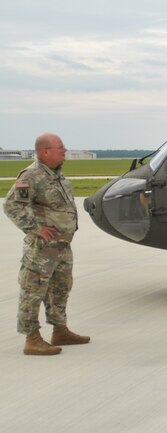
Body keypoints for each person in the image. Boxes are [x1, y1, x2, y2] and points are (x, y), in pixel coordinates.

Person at [3, 133, 90, 356]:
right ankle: (32, 338)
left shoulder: (57, 176)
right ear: (45, 152)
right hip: (42, 249)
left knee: (61, 287)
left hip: (62, 246)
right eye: (60, 147)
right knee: (33, 291)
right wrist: (35, 228)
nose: (65, 150)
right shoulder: (31, 176)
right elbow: (12, 206)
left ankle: (60, 330)